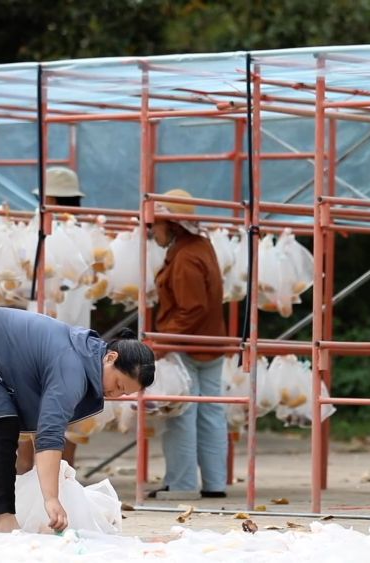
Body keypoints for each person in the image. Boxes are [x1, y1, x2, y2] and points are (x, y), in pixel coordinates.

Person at [0, 306, 155, 533]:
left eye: (123, 393)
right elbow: (49, 433)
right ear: (111, 358)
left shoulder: (84, 354)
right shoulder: (73, 369)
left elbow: (42, 426)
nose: (115, 395)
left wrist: (53, 483)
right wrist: (51, 500)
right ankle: (3, 523)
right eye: (117, 385)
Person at [147, 189, 229, 499]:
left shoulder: (184, 257)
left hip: (186, 343)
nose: (152, 230)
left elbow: (191, 308)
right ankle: (215, 483)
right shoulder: (200, 246)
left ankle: (181, 485)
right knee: (211, 413)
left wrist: (164, 341)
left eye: (156, 224)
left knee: (181, 413)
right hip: (210, 342)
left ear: (172, 225)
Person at [19, 165, 89, 472]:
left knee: (31, 402)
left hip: (40, 333)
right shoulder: (84, 235)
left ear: (48, 197)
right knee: (71, 406)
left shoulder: (40, 231)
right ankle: (63, 477)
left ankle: (27, 477)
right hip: (78, 335)